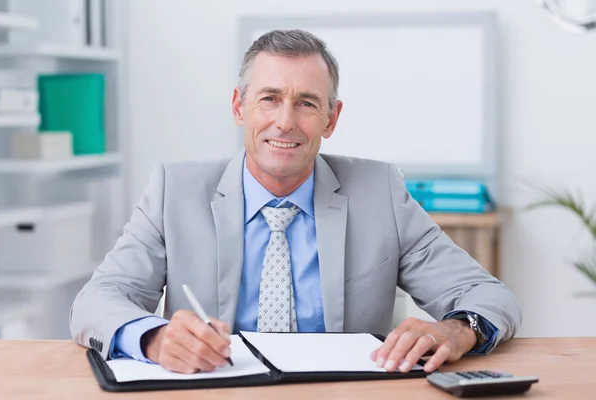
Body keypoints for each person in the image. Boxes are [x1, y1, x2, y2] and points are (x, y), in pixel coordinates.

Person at [70, 29, 521, 375]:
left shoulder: (379, 190)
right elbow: (98, 301)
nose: (285, 122)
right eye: (269, 99)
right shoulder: (175, 190)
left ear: (331, 118)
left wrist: (457, 330)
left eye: (306, 103)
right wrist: (153, 338)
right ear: (238, 107)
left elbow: (488, 295)